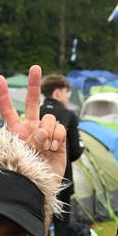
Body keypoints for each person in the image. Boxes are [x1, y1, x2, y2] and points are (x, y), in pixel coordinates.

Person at [39, 72, 84, 221]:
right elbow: (75, 151)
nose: (67, 96)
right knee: (62, 224)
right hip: (63, 178)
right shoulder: (68, 114)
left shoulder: (35, 113)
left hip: (36, 178)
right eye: (66, 92)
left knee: (39, 221)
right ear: (57, 93)